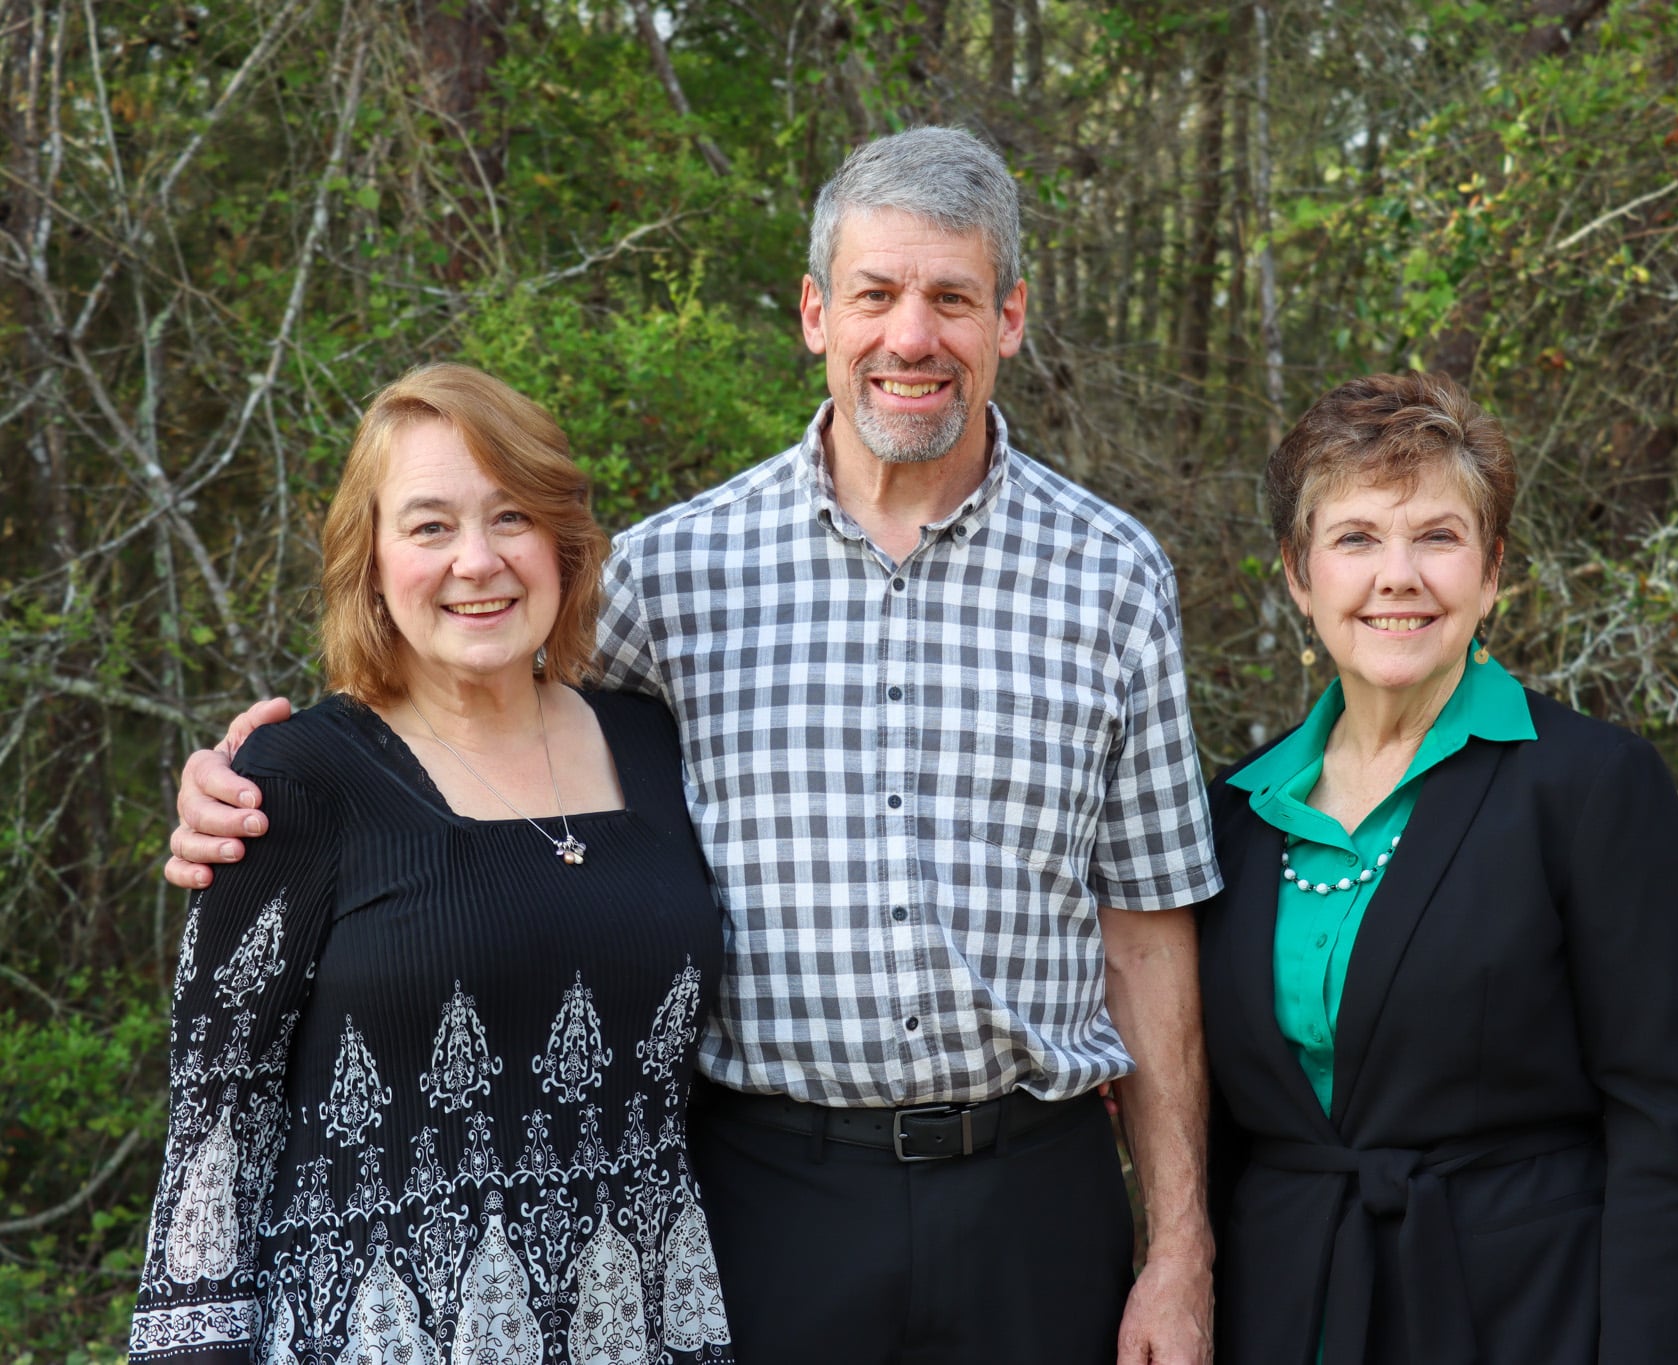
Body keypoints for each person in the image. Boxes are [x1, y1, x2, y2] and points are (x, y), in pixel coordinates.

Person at [164, 127, 1222, 1365]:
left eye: (953, 299)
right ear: (817, 314)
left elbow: (1146, 929)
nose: (912, 338)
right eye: (876, 295)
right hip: (762, 1203)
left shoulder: (1111, 577)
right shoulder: (674, 576)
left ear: (1012, 318)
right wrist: (271, 781)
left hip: (1036, 1199)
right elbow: (469, 686)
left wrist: (1180, 1251)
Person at [132, 365, 732, 1363]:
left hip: (643, 1333)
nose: (478, 561)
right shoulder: (293, 783)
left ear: (562, 543)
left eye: (511, 517)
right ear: (369, 561)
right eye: (429, 527)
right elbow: (213, 1141)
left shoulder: (657, 747)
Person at [1199, 371, 1678, 1364]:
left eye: (1437, 536)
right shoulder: (1231, 812)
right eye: (1356, 538)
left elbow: (1668, 1129)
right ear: (1298, 574)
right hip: (1281, 1313)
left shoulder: (1592, 787)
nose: (1398, 575)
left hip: (1516, 1317)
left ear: (1491, 571)